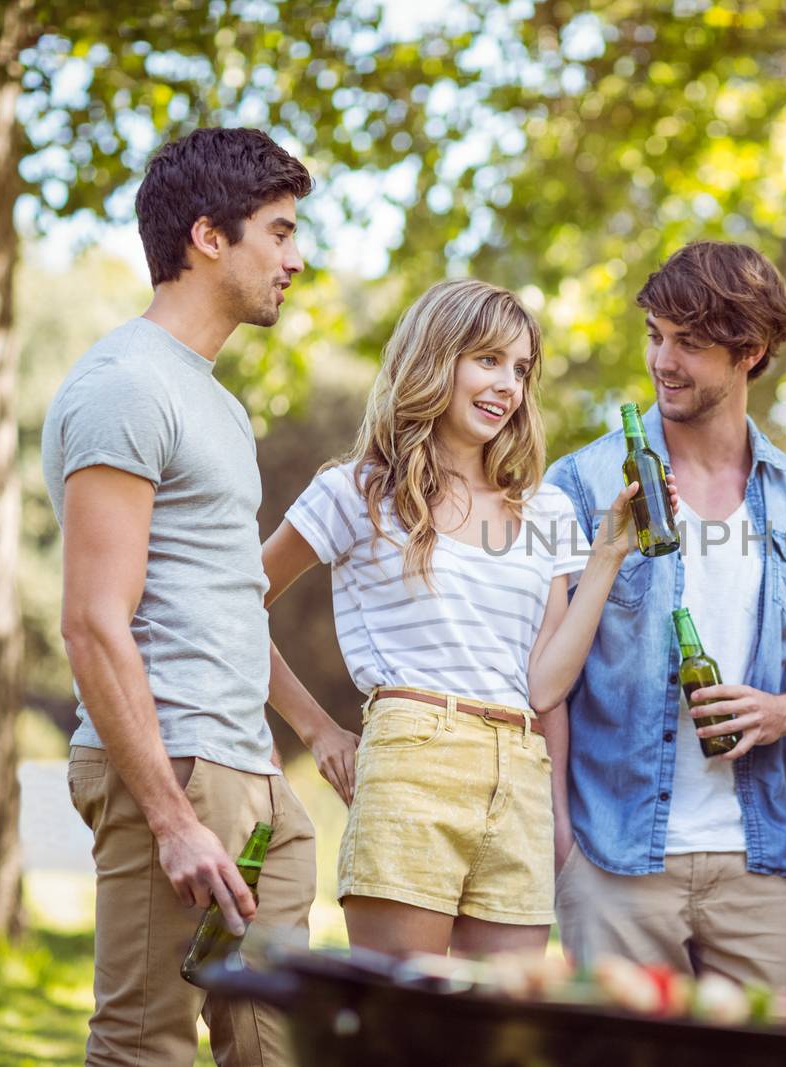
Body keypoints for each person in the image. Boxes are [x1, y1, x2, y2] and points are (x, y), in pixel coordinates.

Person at [260, 278, 663, 958]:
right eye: (488, 359)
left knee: (500, 1035)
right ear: (435, 358)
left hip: (520, 778)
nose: (508, 383)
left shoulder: (548, 513)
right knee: (402, 1031)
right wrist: (316, 727)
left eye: (521, 368)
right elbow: (235, 597)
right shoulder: (358, 492)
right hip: (413, 763)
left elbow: (544, 686)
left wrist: (606, 557)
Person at [43, 128, 323, 1066]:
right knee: (143, 1046)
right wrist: (171, 816)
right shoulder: (125, 385)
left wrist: (314, 733)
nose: (298, 257)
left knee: (275, 1045)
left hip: (251, 774)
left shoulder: (218, 403)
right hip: (175, 762)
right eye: (280, 233)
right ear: (210, 236)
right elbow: (92, 619)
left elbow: (233, 597)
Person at [546, 241, 786, 988]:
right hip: (613, 855)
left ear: (749, 352)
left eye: (689, 343)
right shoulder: (581, 481)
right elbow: (547, 672)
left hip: (756, 858)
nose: (664, 360)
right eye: (656, 335)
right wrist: (561, 840)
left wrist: (783, 711)